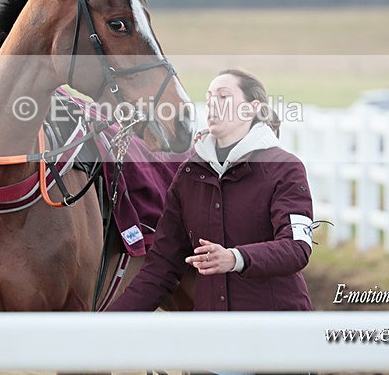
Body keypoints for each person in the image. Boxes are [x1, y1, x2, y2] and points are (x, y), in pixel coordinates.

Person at [107, 68, 315, 312]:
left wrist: (235, 258)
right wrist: (108, 324)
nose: (212, 105)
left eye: (223, 97)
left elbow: (297, 248)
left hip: (277, 330)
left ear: (251, 108)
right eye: (209, 98)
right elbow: (161, 268)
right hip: (212, 335)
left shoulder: (285, 168)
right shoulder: (188, 175)